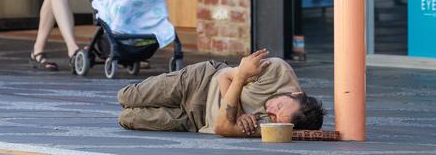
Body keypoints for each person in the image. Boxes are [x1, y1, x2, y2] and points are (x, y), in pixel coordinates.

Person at [117, 49, 325, 137]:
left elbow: (221, 127)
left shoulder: (277, 126)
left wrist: (237, 116)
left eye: (275, 117)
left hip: (196, 120)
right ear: (296, 93)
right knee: (125, 97)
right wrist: (240, 109)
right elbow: (224, 76)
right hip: (200, 81)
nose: (270, 110)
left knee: (127, 118)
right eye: (279, 105)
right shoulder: (276, 70)